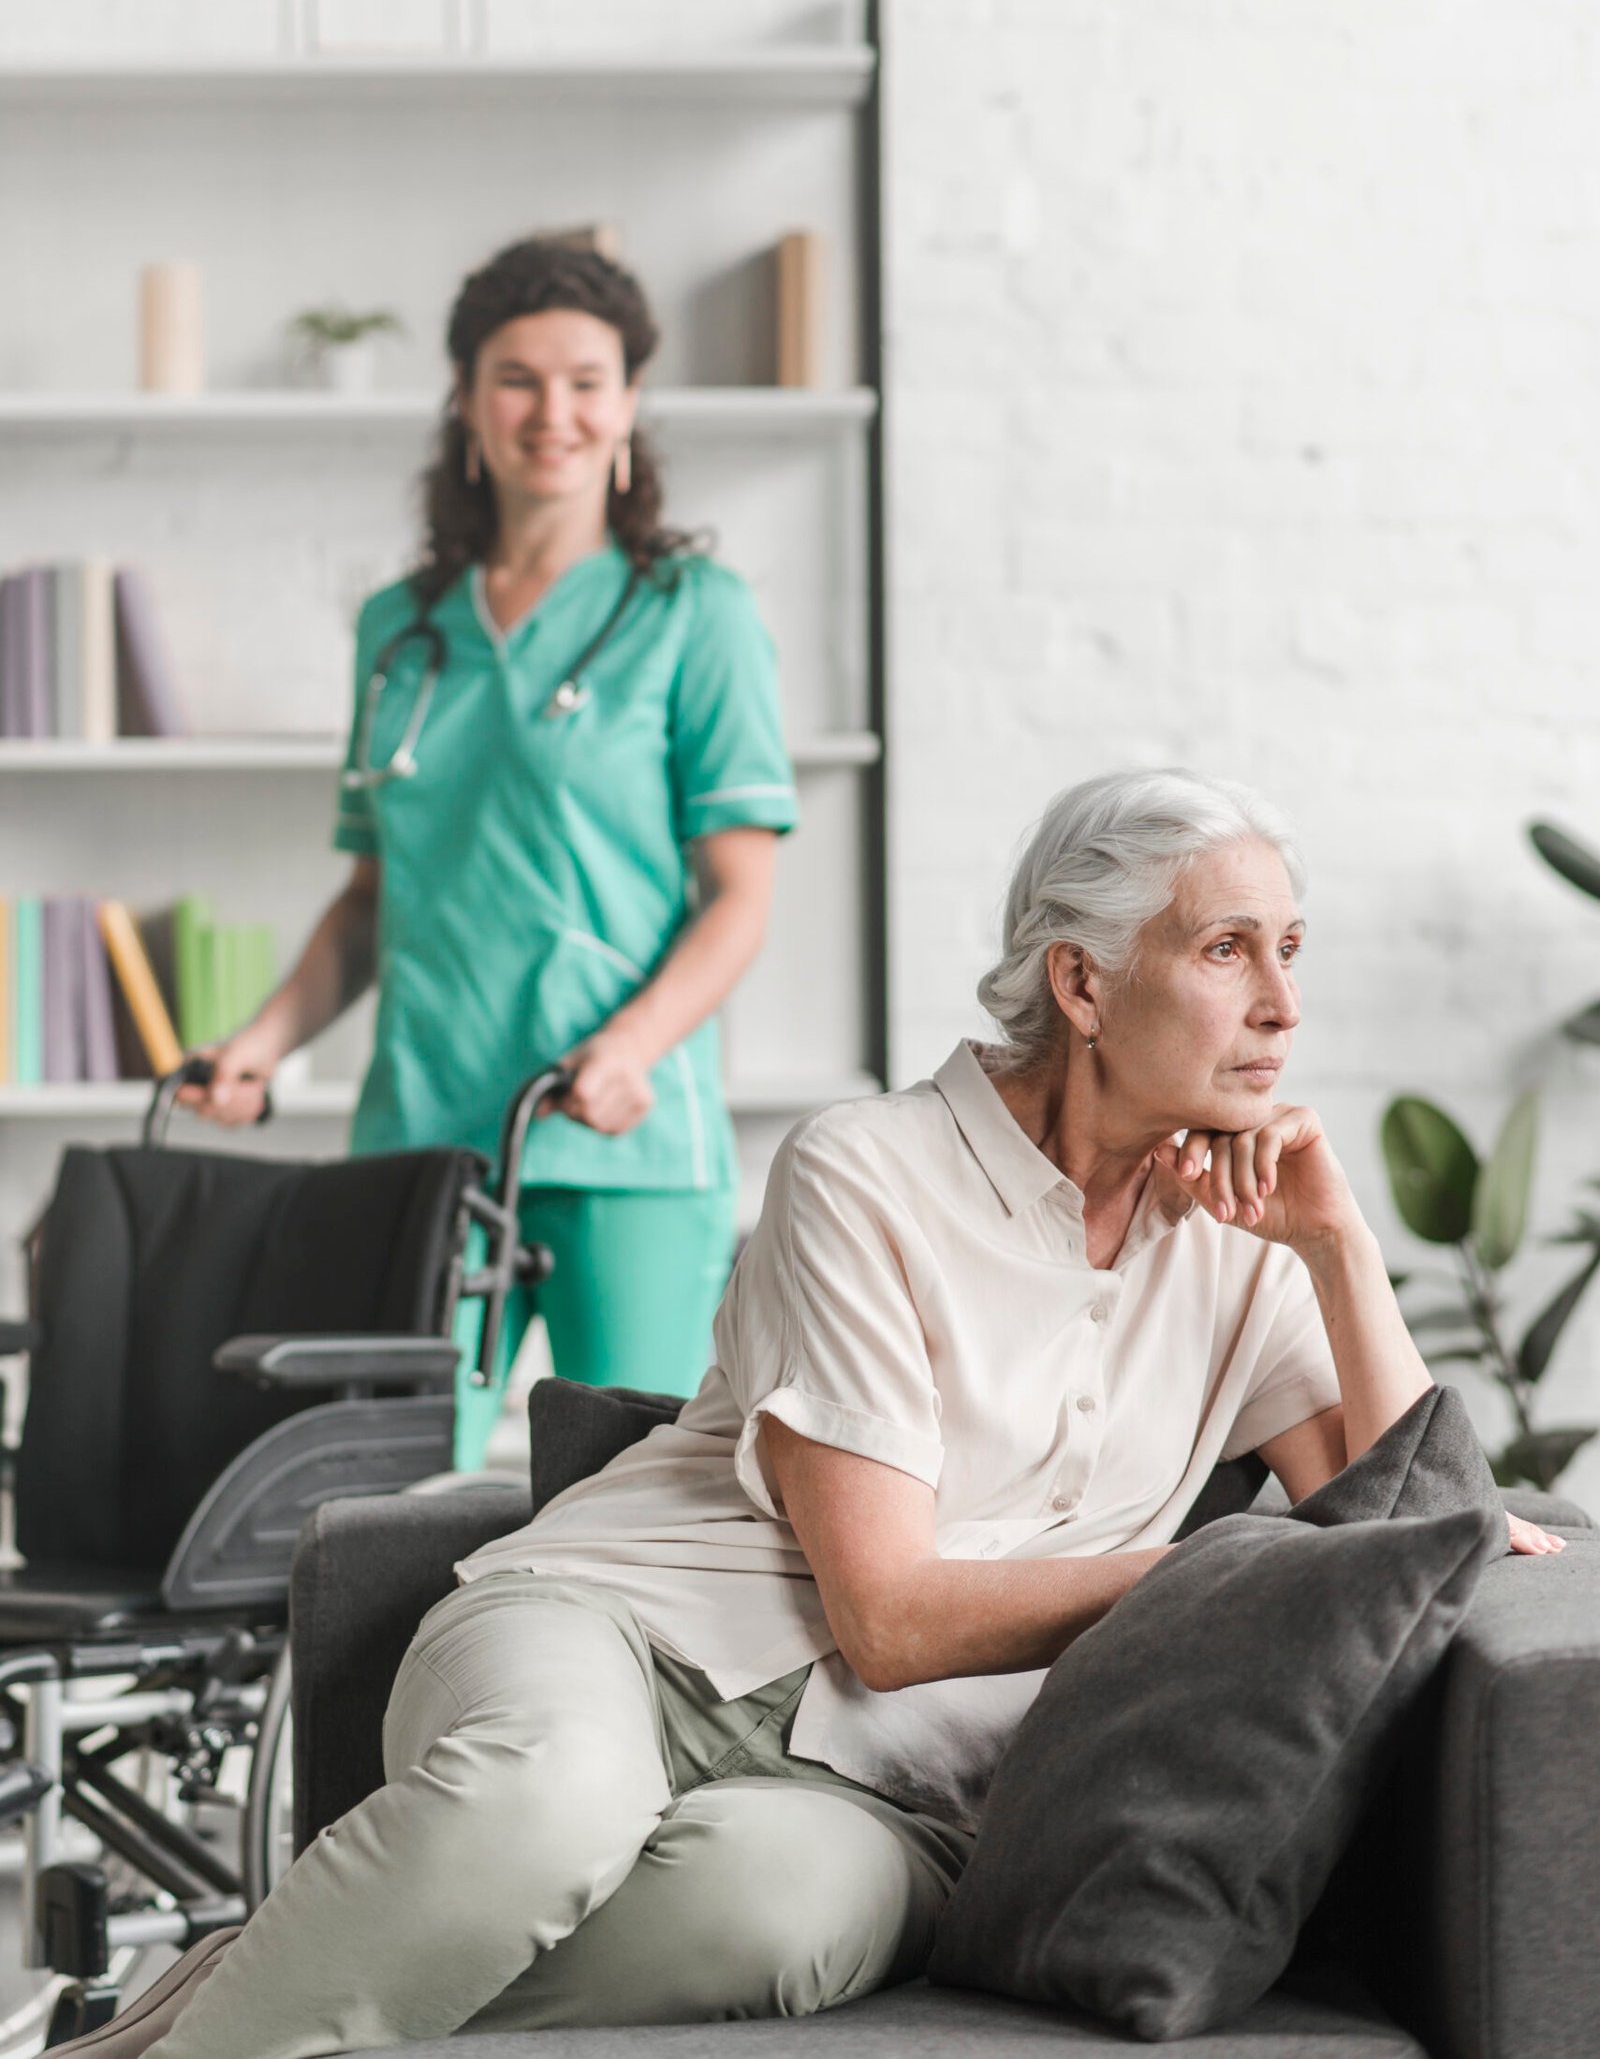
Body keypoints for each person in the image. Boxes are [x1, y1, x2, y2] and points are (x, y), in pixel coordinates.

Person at [77, 768, 1563, 2059]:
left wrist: (1339, 1245)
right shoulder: (863, 1168)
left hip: (895, 1796)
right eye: (1229, 949)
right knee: (536, 1816)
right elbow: (891, 1620)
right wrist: (1212, 1575)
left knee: (776, 1925)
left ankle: (254, 1994)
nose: (1283, 1004)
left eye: (1290, 949)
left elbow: (1419, 1520)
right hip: (625, 1628)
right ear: (1084, 981)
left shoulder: (1247, 1248)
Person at [182, 239, 796, 1437]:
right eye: (517, 378)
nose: (551, 411)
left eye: (585, 379)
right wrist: (259, 1046)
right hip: (423, 1140)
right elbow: (371, 902)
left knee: (635, 1499)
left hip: (616, 1138)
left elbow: (739, 895)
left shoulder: (694, 618)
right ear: (466, 401)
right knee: (377, 1496)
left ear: (627, 407)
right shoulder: (399, 631)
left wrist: (630, 1048)